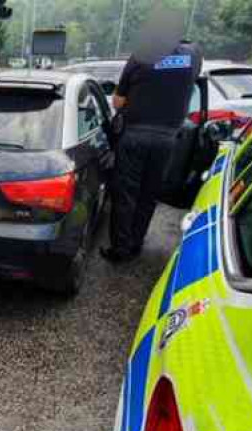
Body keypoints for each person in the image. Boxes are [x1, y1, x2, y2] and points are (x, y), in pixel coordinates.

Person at [101, 39, 203, 263]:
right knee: (148, 195)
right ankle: (136, 244)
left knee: (126, 194)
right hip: (167, 140)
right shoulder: (193, 56)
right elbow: (192, 82)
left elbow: (118, 102)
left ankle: (120, 249)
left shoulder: (141, 53)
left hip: (135, 135)